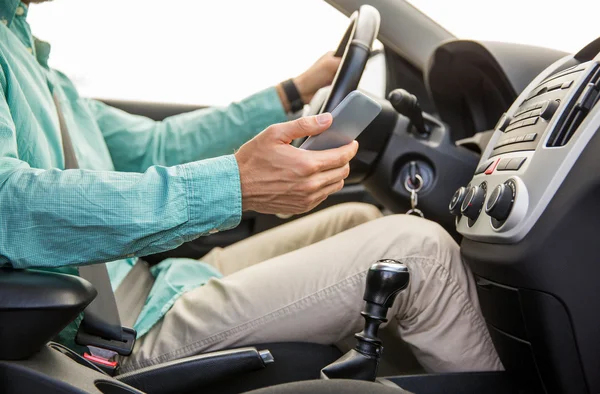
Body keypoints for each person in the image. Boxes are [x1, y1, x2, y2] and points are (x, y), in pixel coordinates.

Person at [0, 0, 502, 374]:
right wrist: (235, 187)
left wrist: (295, 92)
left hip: (148, 283)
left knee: (358, 220)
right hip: (107, 328)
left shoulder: (27, 51)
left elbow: (154, 145)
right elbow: (10, 206)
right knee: (420, 255)